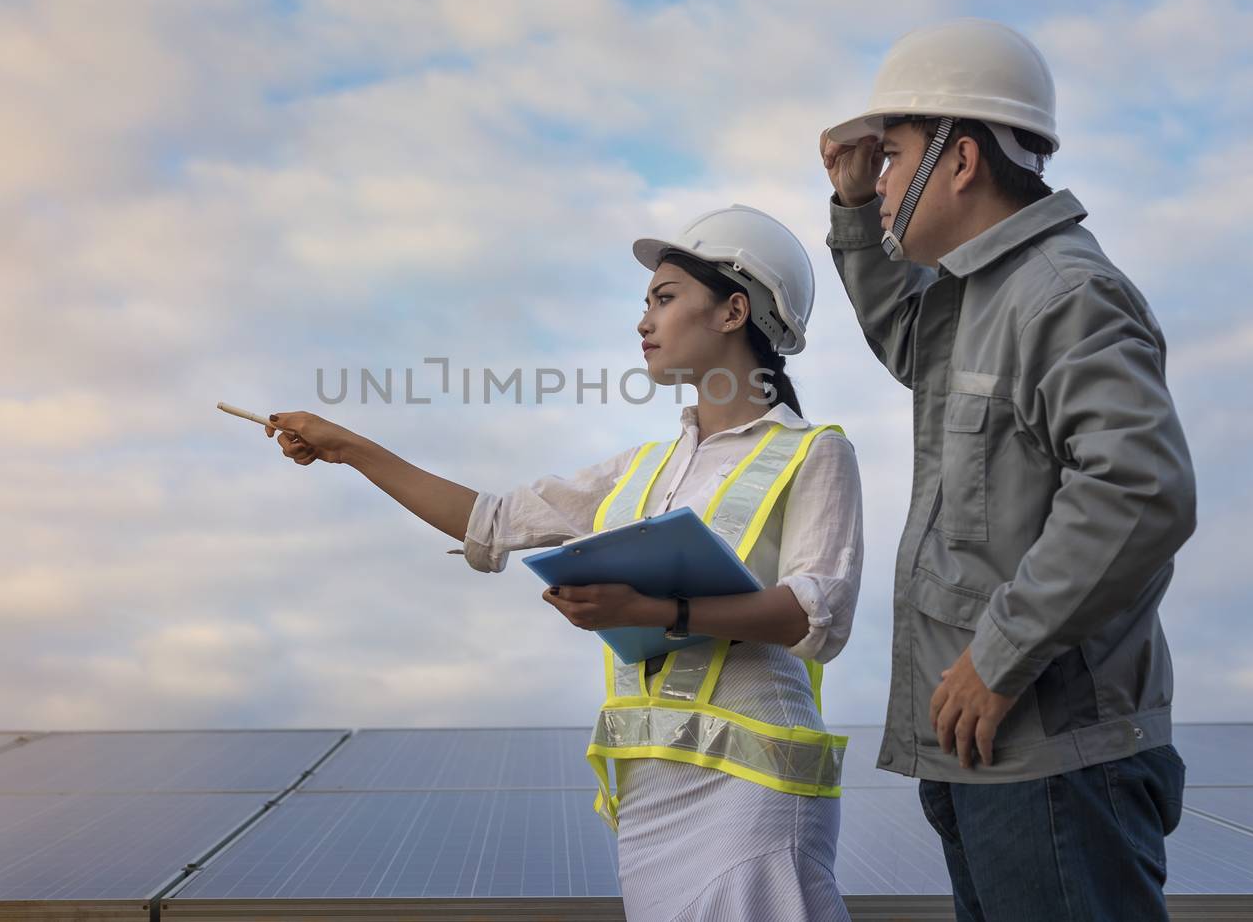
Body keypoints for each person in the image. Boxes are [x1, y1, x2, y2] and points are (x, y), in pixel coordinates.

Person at [262, 204, 863, 921]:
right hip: (649, 801)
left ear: (735, 310)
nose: (643, 321)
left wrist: (654, 613)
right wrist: (346, 447)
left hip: (753, 795)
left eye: (664, 299)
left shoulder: (815, 450)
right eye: (645, 303)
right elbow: (493, 521)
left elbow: (816, 613)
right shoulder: (637, 472)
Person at [818, 18, 1195, 922]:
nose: (885, 183)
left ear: (963, 160)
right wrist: (853, 210)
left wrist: (999, 654)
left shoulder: (1064, 292)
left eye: (897, 157)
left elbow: (1141, 489)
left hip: (1056, 767)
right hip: (995, 759)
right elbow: (907, 338)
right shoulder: (980, 296)